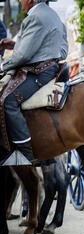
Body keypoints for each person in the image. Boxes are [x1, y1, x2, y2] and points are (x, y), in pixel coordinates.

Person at [0, 0, 68, 165]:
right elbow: (58, 47)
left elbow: (23, 56)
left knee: (8, 100)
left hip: (39, 71)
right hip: (50, 67)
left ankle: (26, 154)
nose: (19, 1)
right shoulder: (52, 15)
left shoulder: (35, 18)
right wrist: (15, 44)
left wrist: (3, 66)